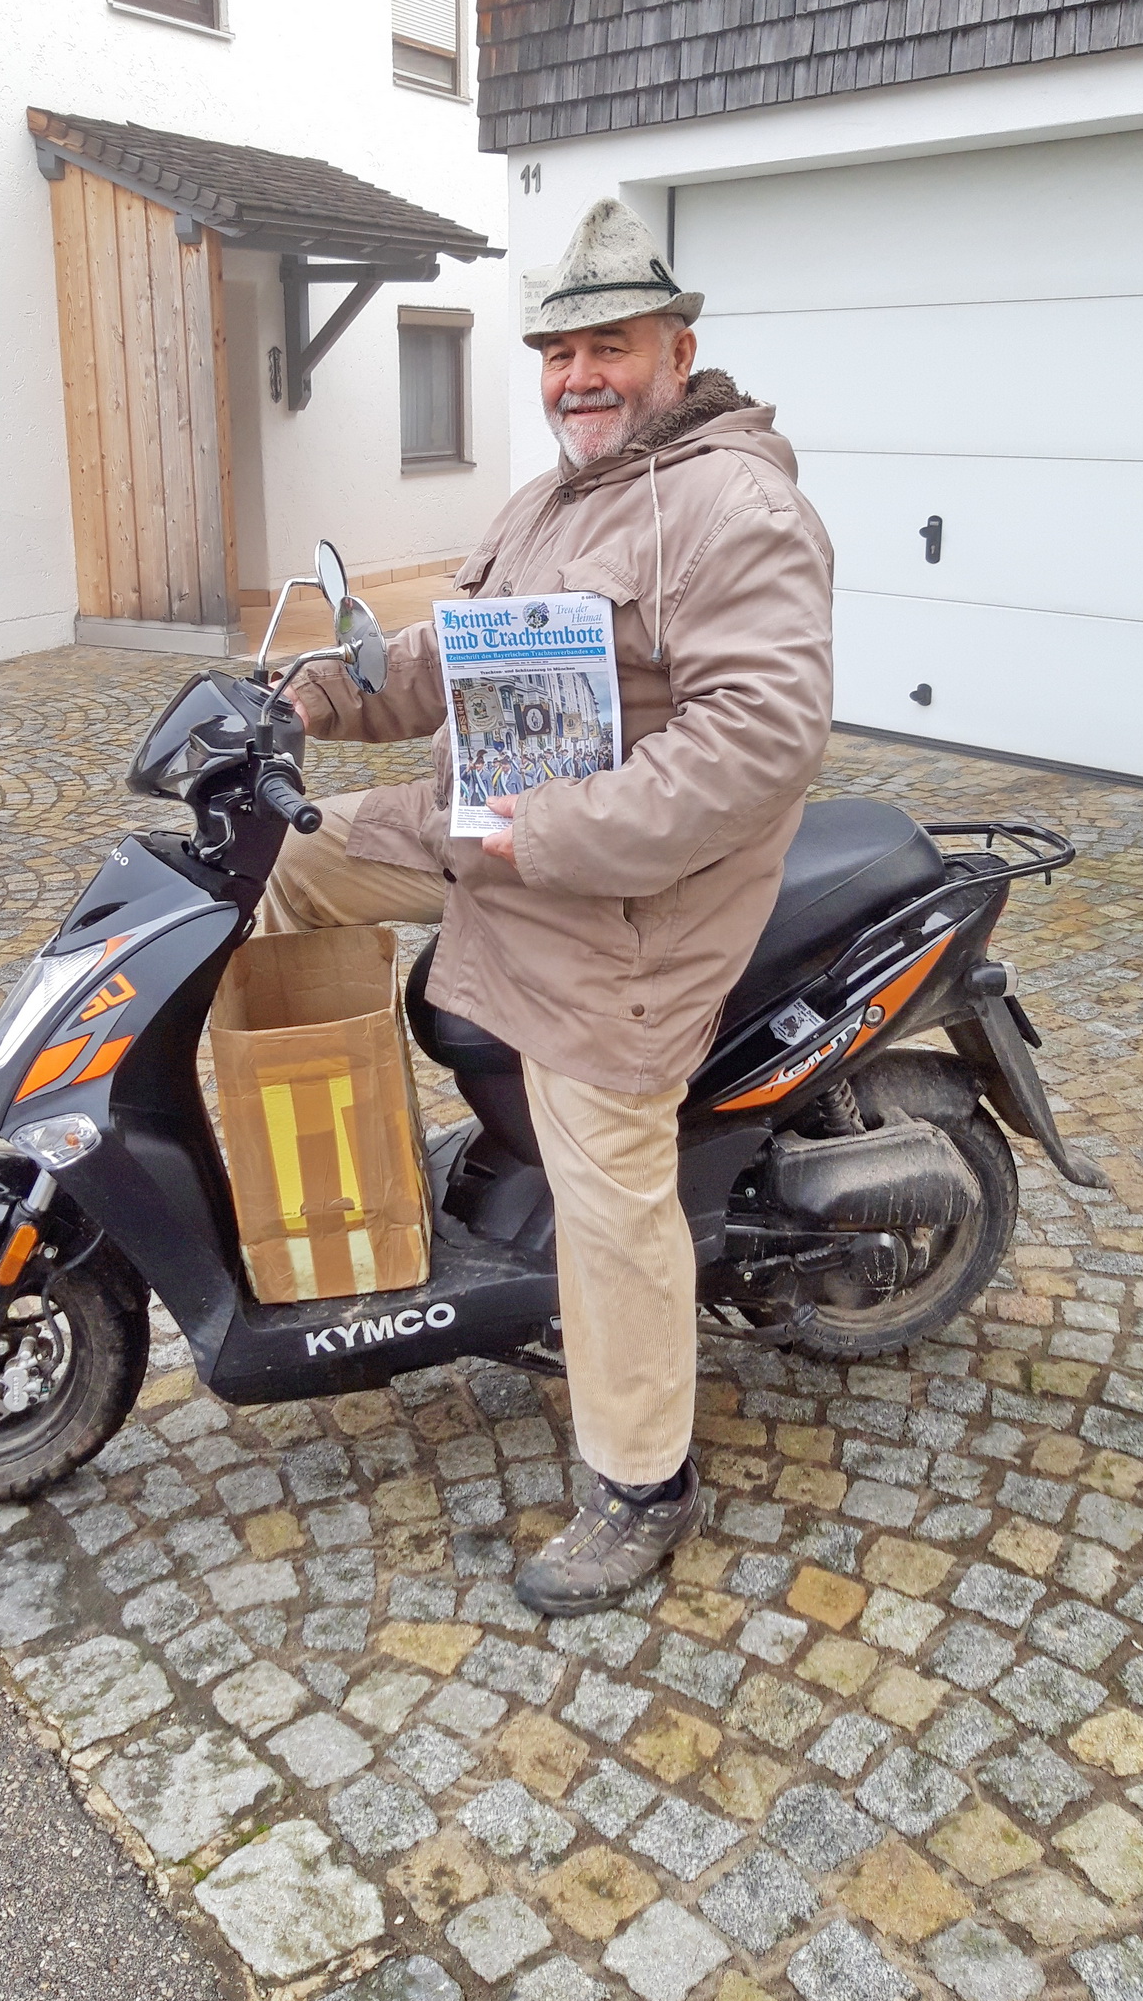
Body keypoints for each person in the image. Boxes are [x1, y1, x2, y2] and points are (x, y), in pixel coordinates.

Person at [261, 198, 834, 1614]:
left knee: (608, 1177)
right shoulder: (553, 500)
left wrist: (563, 831)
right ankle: (334, 1186)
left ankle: (641, 1481)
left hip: (626, 902)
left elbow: (760, 737)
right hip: (493, 838)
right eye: (558, 353)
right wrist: (320, 692)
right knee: (291, 866)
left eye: (609, 346)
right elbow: (453, 654)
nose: (578, 376)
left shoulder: (738, 508)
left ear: (678, 350)